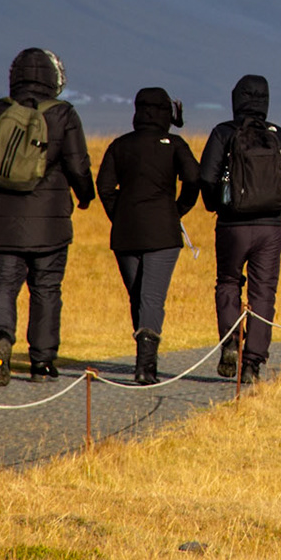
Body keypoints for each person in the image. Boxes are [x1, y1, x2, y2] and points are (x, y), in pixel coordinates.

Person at [0, 47, 94, 385]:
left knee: (2, 286)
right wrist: (86, 196)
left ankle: (0, 339)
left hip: (2, 222)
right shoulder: (63, 114)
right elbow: (78, 166)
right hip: (50, 223)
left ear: (14, 75)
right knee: (46, 289)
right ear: (54, 78)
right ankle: (42, 362)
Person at [196, 74, 281, 384]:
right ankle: (253, 364)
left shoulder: (223, 133)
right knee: (264, 293)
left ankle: (230, 343)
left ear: (236, 99)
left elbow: (206, 177)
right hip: (270, 228)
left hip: (231, 225)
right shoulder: (279, 136)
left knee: (228, 282)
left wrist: (217, 205)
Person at [96, 87, 201, 384]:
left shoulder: (119, 145)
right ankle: (146, 367)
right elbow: (194, 178)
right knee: (151, 297)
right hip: (163, 232)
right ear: (167, 113)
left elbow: (104, 186)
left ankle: (143, 359)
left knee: (138, 297)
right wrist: (178, 209)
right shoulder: (175, 144)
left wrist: (120, 214)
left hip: (125, 232)